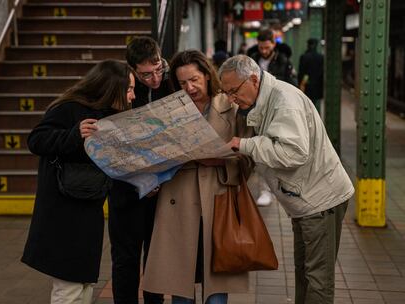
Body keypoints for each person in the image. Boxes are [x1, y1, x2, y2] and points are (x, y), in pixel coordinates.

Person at [218, 55, 355, 304]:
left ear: (253, 79)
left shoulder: (284, 101)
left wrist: (246, 144)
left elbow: (294, 153)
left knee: (318, 278)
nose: (231, 99)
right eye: (226, 92)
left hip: (321, 200)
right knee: (304, 271)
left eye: (234, 91)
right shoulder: (265, 99)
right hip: (305, 199)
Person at [142, 50, 253, 304]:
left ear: (207, 75)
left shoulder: (231, 107)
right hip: (178, 200)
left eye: (194, 80)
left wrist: (221, 162)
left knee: (217, 282)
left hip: (219, 198)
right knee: (180, 282)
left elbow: (250, 156)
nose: (189, 88)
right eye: (182, 83)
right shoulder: (170, 112)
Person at [21, 60, 135, 304]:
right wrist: (73, 135)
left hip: (89, 209)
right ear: (110, 88)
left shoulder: (112, 115)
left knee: (83, 286)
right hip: (62, 213)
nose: (132, 96)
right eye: (128, 89)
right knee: (69, 288)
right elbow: (36, 140)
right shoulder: (69, 108)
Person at [107, 36, 172, 304]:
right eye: (145, 75)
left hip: (163, 188)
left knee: (156, 257)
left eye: (157, 70)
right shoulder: (120, 87)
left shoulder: (171, 82)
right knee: (125, 259)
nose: (154, 78)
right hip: (126, 189)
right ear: (132, 69)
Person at [298, 38, 324, 113]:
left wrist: (301, 84)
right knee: (314, 105)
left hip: (306, 85)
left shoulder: (304, 56)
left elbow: (301, 72)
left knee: (306, 105)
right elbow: (322, 73)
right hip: (317, 85)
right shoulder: (321, 57)